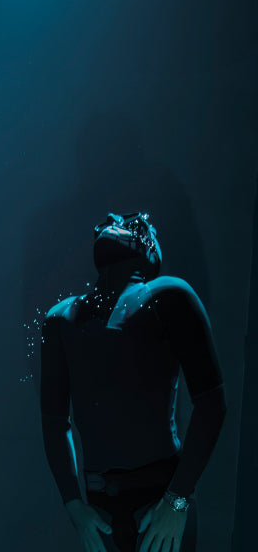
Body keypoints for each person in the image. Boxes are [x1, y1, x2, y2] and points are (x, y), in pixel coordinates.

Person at [40, 211, 228, 552]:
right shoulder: (59, 319)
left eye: (131, 224)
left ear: (149, 248)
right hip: (105, 511)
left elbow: (212, 404)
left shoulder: (167, 295)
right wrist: (75, 506)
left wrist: (176, 501)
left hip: (158, 501)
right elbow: (54, 422)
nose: (113, 220)